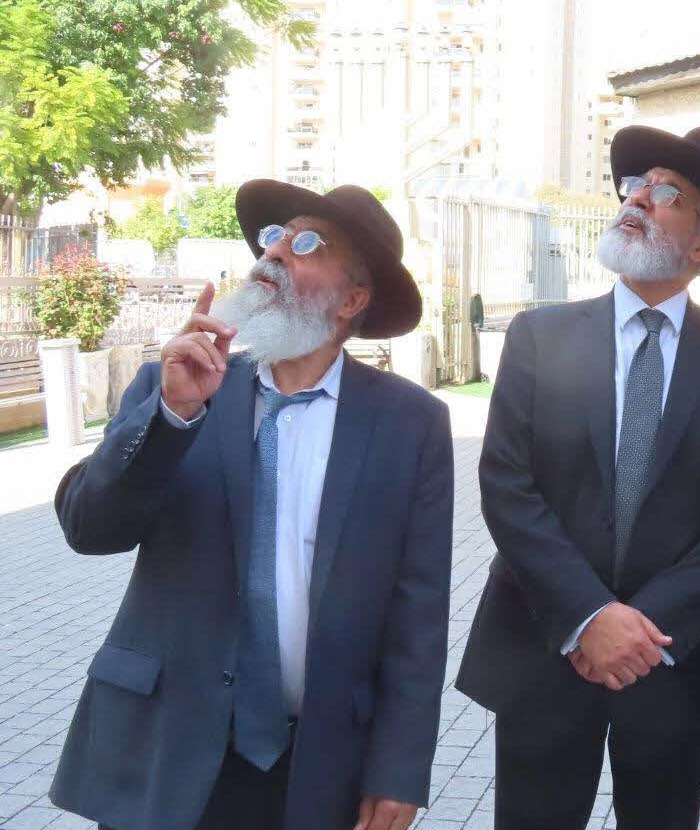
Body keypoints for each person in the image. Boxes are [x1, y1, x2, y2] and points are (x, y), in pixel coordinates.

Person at [49, 181, 454, 830]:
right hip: (168, 749)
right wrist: (171, 416)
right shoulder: (176, 385)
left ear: (352, 299)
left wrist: (400, 769)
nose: (274, 252)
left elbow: (418, 614)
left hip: (319, 760)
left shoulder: (411, 423)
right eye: (272, 237)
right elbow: (90, 529)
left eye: (308, 242)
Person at [455, 126, 700, 829]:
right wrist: (588, 616)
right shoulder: (538, 337)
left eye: (666, 193)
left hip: (671, 662)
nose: (636, 197)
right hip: (545, 648)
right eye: (635, 185)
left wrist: (643, 630)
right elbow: (507, 485)